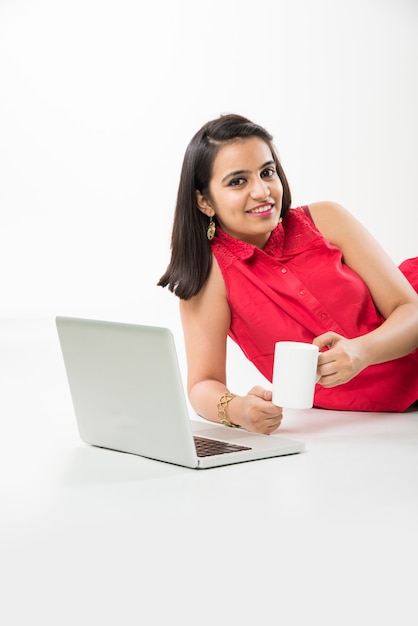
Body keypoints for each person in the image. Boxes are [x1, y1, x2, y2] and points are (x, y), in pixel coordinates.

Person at [158, 113, 418, 434]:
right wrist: (238, 409)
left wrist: (361, 352)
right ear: (204, 201)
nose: (261, 191)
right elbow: (202, 384)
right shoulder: (210, 277)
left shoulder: (327, 218)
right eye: (238, 181)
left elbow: (410, 310)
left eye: (267, 172)